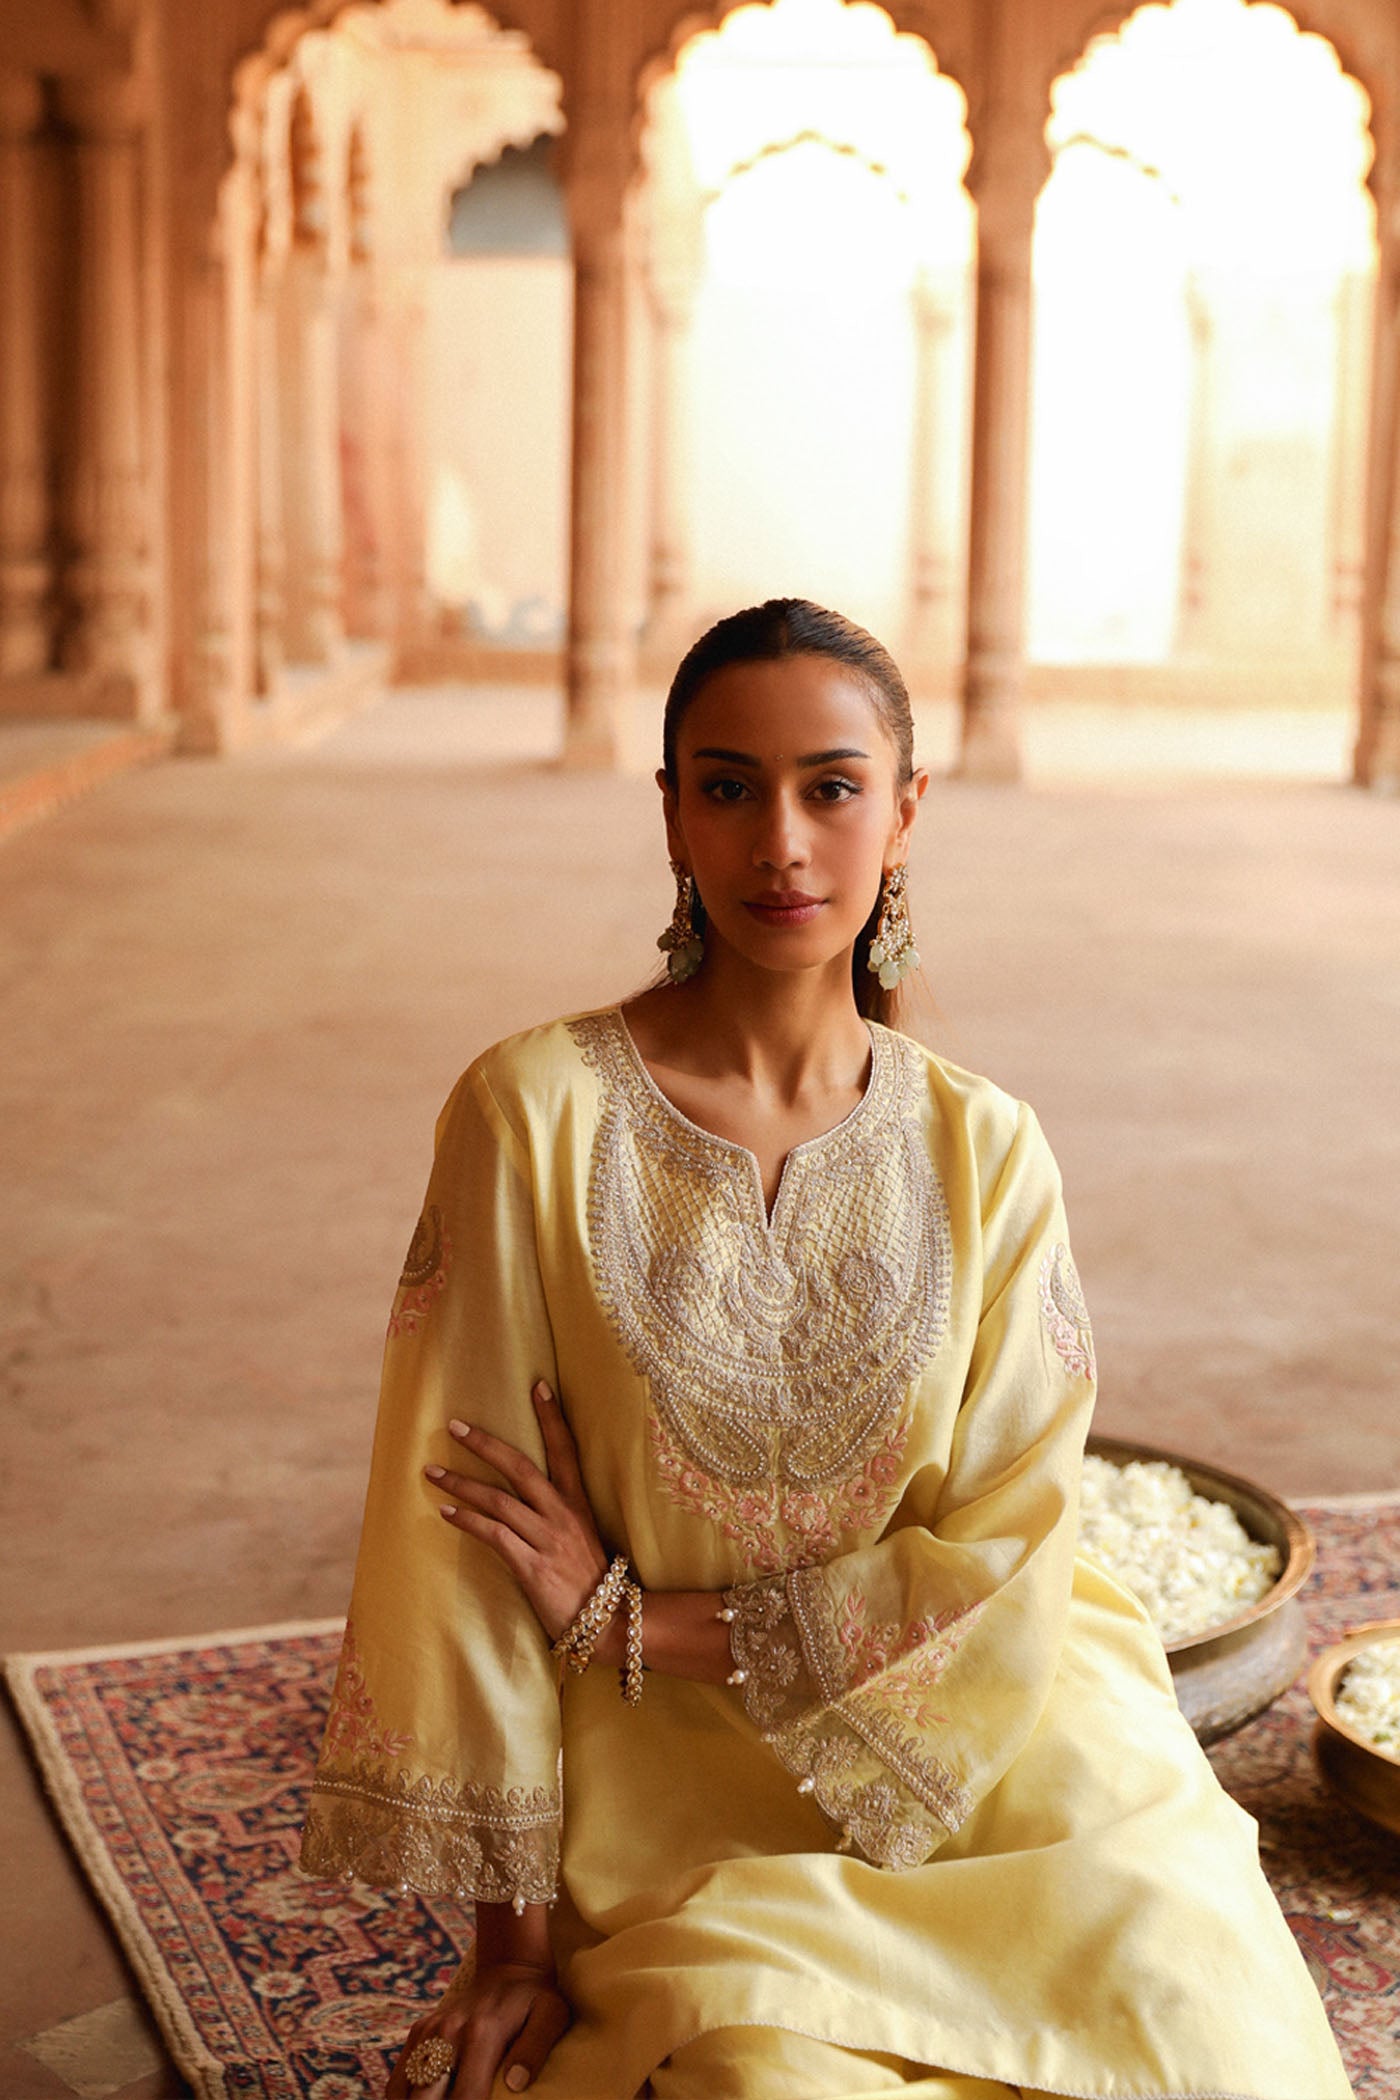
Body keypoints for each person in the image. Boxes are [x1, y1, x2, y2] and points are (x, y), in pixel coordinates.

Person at [300, 600, 1352, 2100]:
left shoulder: (986, 1149)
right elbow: (466, 1545)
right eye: (728, 787)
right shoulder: (531, 1115)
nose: (780, 843)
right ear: (669, 810)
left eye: (831, 788)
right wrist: (514, 1955)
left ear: (905, 812)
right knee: (774, 2081)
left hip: (991, 1733)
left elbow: (1009, 1554)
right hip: (670, 1785)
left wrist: (635, 1619)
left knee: (1207, 2025)